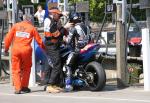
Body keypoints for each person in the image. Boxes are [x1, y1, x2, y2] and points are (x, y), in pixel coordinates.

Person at [4, 14, 45, 94]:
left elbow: (8, 38)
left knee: (16, 69)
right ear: (30, 20)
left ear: (23, 19)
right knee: (27, 68)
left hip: (16, 50)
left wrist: (6, 48)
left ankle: (17, 88)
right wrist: (45, 49)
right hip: (26, 50)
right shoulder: (32, 28)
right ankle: (24, 86)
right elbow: (39, 40)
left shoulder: (16, 26)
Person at [44, 7, 73, 93]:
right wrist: (65, 27)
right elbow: (57, 35)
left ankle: (55, 84)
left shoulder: (49, 19)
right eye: (58, 15)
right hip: (52, 45)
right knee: (56, 65)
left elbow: (58, 32)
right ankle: (50, 85)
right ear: (54, 14)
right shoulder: (51, 22)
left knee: (58, 64)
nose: (59, 18)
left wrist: (63, 14)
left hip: (53, 44)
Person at [63, 12, 91, 92]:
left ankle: (68, 85)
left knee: (67, 65)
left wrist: (64, 38)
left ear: (72, 20)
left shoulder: (74, 28)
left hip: (78, 50)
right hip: (88, 48)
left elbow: (68, 41)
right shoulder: (87, 26)